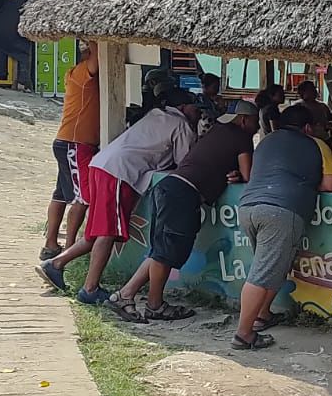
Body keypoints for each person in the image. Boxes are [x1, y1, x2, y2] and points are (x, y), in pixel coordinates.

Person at [38, 77, 199, 303]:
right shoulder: (181, 124)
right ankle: (90, 288)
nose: (198, 113)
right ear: (183, 107)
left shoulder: (155, 115)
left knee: (96, 231)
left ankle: (56, 263)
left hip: (102, 165)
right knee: (108, 232)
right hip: (119, 172)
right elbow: (185, 163)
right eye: (195, 108)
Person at [106, 101, 258, 323]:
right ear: (244, 120)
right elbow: (249, 176)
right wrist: (239, 174)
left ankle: (126, 295)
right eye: (255, 122)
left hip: (169, 187)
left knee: (161, 251)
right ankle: (152, 304)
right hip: (184, 194)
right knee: (166, 253)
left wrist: (231, 172)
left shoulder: (216, 132)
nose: (257, 128)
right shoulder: (241, 136)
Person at [232, 105, 332, 350]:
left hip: (248, 207)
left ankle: (263, 314)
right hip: (281, 210)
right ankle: (243, 334)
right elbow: (329, 184)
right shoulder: (316, 144)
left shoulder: (266, 142)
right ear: (308, 127)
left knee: (272, 267)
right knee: (262, 273)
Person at [43, 42, 99, 261]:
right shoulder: (83, 72)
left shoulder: (74, 74)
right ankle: (69, 249)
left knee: (60, 193)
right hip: (76, 144)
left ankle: (51, 244)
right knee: (82, 198)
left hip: (67, 142)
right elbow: (96, 59)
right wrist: (96, 40)